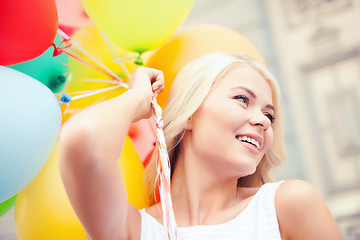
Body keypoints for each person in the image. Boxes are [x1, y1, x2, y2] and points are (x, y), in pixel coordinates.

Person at [59, 52, 343, 240]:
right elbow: (82, 139)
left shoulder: (285, 206)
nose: (263, 121)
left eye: (269, 115)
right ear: (190, 113)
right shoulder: (135, 230)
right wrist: (138, 98)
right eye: (243, 99)